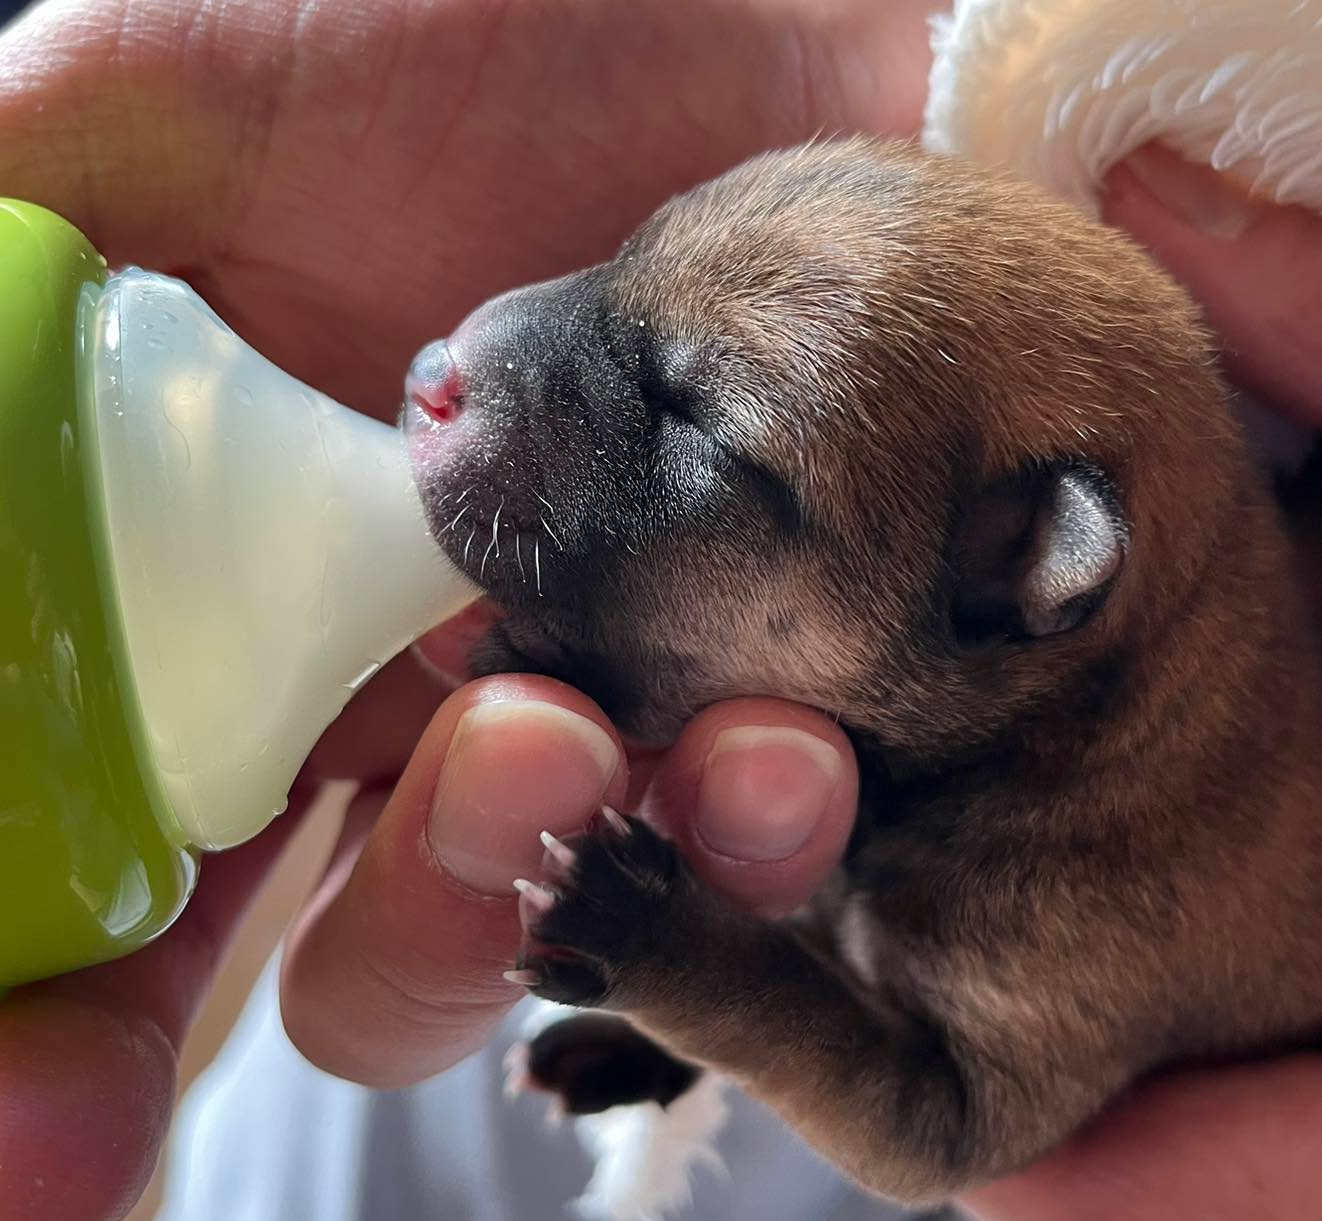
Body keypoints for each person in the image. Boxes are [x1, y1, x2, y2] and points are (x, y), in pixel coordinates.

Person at [0, 1, 1317, 1218]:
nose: (471, 353)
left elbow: (941, 1118)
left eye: (697, 429)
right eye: (633, 259)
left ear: (1020, 570)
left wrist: (687, 967)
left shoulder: (1118, 901)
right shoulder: (1019, 576)